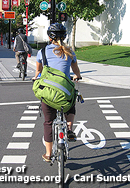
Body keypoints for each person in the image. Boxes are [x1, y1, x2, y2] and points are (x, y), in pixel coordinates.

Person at [32, 23, 82, 162]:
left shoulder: (42, 52)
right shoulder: (70, 52)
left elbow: (38, 72)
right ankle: (70, 129)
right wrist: (77, 76)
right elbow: (76, 71)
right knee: (70, 101)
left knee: (48, 122)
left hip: (48, 92)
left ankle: (48, 154)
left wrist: (36, 77)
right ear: (64, 36)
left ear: (49, 36)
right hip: (64, 91)